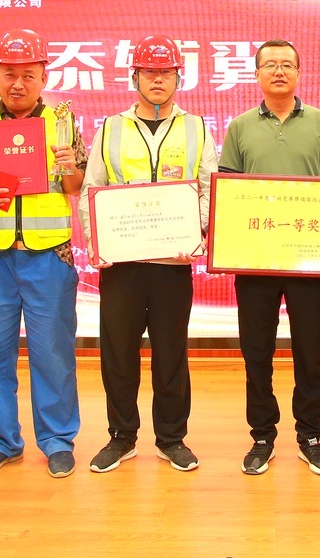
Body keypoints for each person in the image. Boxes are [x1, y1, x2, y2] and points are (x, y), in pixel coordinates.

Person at [0, 28, 86, 478]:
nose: (18, 84)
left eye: (28, 74)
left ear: (44, 76)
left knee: (54, 352)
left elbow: (76, 187)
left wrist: (70, 167)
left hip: (50, 255)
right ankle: (1, 441)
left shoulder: (64, 122)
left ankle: (57, 440)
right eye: (9, 74)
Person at [79, 35, 217, 474]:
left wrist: (194, 232)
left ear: (179, 78)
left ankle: (171, 438)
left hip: (173, 264)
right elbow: (91, 190)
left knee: (171, 352)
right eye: (150, 72)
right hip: (122, 263)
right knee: (118, 352)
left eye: (166, 73)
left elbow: (209, 188)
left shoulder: (196, 127)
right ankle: (121, 437)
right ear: (134, 77)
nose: (158, 80)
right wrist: (97, 243)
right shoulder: (110, 128)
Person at [218, 39, 320, 476]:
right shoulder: (239, 127)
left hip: (309, 259)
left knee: (310, 354)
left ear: (299, 73)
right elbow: (229, 193)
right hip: (255, 260)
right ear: (256, 74)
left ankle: (310, 435)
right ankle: (262, 436)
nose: (278, 71)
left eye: (287, 64)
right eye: (270, 64)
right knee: (257, 353)